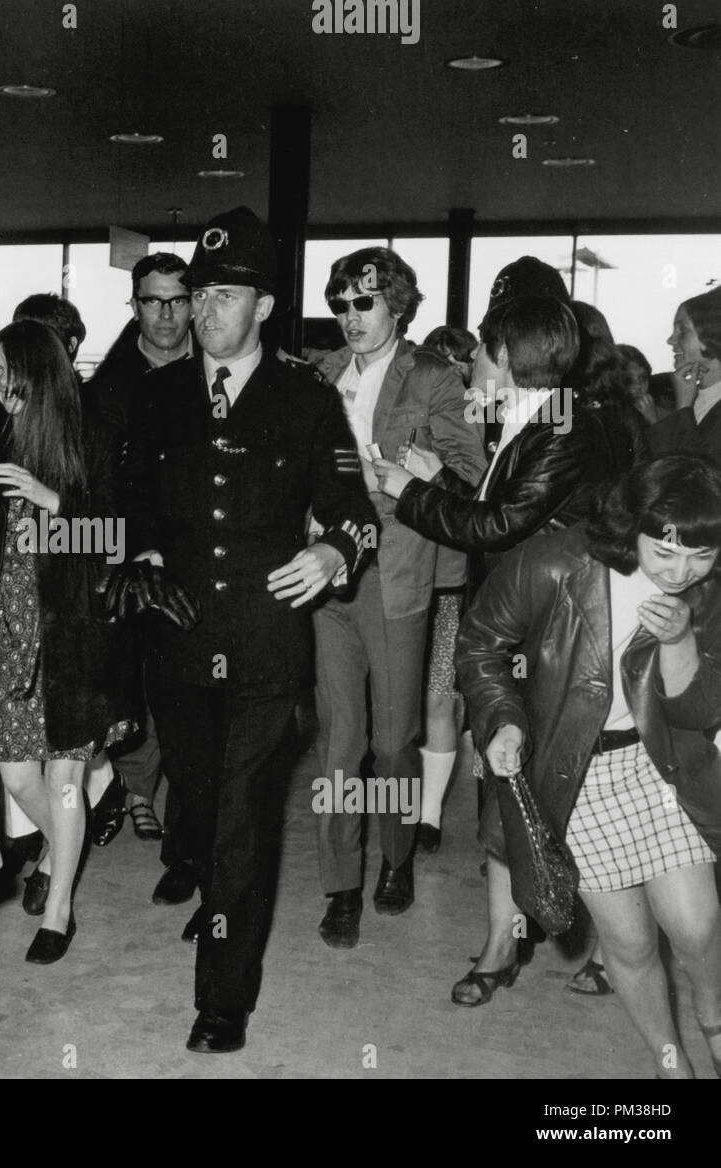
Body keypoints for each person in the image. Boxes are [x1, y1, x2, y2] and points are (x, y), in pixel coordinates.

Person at [123, 206, 375, 1052]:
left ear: (264, 306)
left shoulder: (307, 399)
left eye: (225, 295)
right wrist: (142, 557)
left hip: (268, 647)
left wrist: (335, 554)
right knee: (202, 805)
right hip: (180, 644)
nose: (205, 311)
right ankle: (219, 905)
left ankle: (221, 1004)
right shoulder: (155, 399)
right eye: (199, 295)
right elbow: (127, 511)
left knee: (241, 817)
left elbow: (355, 513)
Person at [374, 259, 640, 1006]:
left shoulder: (562, 427)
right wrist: (447, 481)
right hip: (524, 639)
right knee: (506, 787)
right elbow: (506, 515)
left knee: (546, 791)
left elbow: (499, 527)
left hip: (555, 646)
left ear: (506, 357)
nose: (468, 372)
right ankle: (505, 942)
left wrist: (412, 493)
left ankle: (592, 943)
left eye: (478, 356)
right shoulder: (540, 421)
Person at [458, 455, 721, 1078]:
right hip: (579, 775)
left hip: (663, 768)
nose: (682, 571)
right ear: (633, 526)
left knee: (699, 929)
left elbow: (699, 710)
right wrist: (505, 719)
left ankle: (715, 1022)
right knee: (628, 944)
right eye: (665, 552)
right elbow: (479, 643)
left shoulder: (707, 588)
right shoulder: (555, 563)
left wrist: (681, 639)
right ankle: (671, 1066)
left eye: (702, 555)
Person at [310, 249, 487, 948]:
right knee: (338, 742)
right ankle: (341, 883)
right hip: (327, 571)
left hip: (398, 571)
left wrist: (426, 470)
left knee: (392, 742)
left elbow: (472, 473)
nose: (351, 317)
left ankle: (396, 855)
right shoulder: (318, 374)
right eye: (341, 304)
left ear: (399, 306)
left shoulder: (434, 375)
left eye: (366, 302)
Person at [0, 318, 133, 963]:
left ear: (41, 375)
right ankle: (60, 843)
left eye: (10, 371)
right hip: (10, 631)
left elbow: (116, 541)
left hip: (73, 637)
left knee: (65, 779)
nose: (0, 383)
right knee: (17, 776)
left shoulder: (92, 434)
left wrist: (53, 503)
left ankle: (60, 904)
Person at [84, 252, 195, 851]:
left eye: (179, 300)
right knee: (137, 675)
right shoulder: (105, 389)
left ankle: (180, 797)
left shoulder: (219, 371)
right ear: (134, 305)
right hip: (126, 552)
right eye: (153, 300)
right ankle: (137, 789)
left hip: (199, 550)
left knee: (192, 679)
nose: (166, 314)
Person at [413, 324, 479, 853]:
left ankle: (429, 815)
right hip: (397, 575)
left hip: (450, 579)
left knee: (439, 698)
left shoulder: (476, 425)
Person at [647, 286, 721, 464]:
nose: (670, 340)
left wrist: (683, 409)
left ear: (710, 335)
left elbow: (693, 473)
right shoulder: (695, 397)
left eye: (682, 331)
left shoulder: (689, 401)